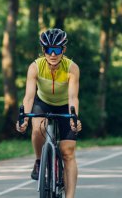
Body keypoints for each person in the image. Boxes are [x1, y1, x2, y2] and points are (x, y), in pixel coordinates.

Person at [16, 28, 82, 198]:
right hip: (42, 103)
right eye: (48, 50)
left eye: (57, 50)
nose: (53, 54)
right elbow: (29, 97)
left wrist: (74, 119)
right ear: (43, 50)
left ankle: (70, 196)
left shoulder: (72, 68)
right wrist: (23, 118)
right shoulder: (35, 67)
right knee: (37, 129)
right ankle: (39, 161)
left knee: (68, 152)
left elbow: (73, 97)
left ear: (64, 50)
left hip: (65, 105)